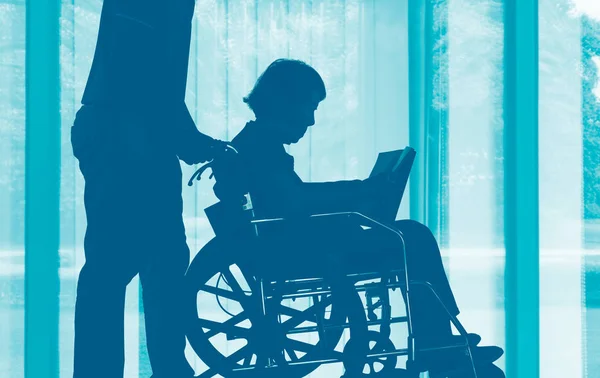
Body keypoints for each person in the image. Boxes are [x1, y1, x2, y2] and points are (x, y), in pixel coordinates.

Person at [215, 59, 505, 378]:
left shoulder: (251, 144)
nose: (311, 120)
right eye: (309, 107)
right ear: (286, 102)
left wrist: (359, 192)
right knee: (413, 238)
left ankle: (438, 341)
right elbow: (295, 202)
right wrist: (360, 191)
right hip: (306, 252)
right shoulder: (260, 148)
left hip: (296, 244)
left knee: (410, 234)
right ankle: (436, 343)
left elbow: (291, 200)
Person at [70, 1, 225, 377]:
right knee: (141, 264)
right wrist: (190, 142)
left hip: (122, 133)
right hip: (126, 137)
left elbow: (148, 78)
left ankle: (128, 370)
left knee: (130, 265)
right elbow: (145, 79)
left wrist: (188, 141)